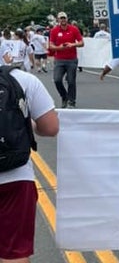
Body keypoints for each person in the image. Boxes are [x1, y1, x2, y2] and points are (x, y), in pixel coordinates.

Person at [0, 67, 59, 263]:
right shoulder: (23, 79)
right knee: (14, 253)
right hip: (15, 177)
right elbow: (50, 127)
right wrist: (29, 125)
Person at [49, 12, 84, 108]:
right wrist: (59, 47)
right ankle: (64, 96)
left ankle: (72, 101)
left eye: (64, 18)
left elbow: (81, 42)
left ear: (67, 19)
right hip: (59, 59)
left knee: (71, 81)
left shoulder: (73, 29)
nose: (63, 20)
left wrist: (72, 44)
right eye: (61, 18)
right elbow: (51, 45)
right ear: (58, 19)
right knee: (57, 80)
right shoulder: (54, 31)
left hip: (71, 59)